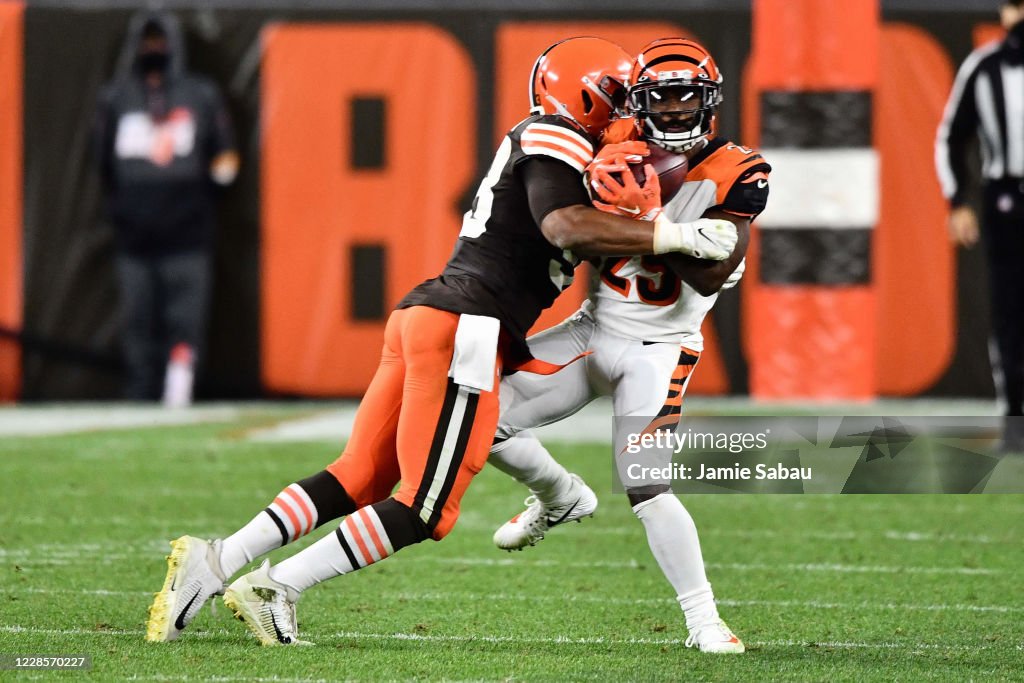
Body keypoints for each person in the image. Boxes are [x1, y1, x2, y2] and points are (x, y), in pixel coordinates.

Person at [145, 36, 741, 646]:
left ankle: (215, 561)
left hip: (430, 314)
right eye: (618, 98)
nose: (627, 115)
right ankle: (279, 587)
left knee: (362, 474)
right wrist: (678, 238)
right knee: (426, 508)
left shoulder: (575, 150)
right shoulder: (555, 137)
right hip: (466, 326)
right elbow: (564, 225)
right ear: (589, 96)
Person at [486, 38, 770, 654]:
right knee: (477, 416)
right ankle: (557, 497)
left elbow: (710, 274)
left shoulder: (739, 168)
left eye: (684, 97)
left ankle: (703, 621)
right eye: (658, 99)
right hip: (593, 329)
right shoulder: (611, 142)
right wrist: (659, 226)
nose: (671, 111)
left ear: (709, 100)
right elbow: (578, 235)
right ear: (637, 101)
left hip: (661, 347)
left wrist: (647, 219)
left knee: (646, 483)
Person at [94, 11, 239, 406]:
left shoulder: (201, 94)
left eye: (160, 41)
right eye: (148, 41)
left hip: (188, 234)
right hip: (135, 236)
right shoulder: (116, 97)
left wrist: (208, 191)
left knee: (185, 321)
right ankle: (140, 397)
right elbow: (103, 165)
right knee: (138, 322)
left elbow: (226, 156)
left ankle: (181, 392)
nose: (153, 50)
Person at [935, 0, 1024, 451]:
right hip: (1007, 200)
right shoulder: (985, 66)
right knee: (1010, 315)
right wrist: (959, 201)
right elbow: (952, 135)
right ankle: (1016, 424)